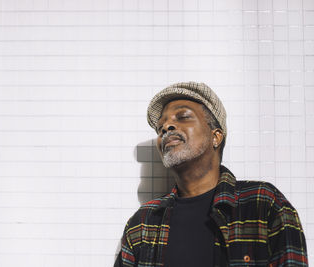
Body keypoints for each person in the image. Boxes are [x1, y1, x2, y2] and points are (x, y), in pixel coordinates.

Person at [115, 82, 308, 267]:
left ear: (216, 136)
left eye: (182, 116)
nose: (166, 127)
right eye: (160, 127)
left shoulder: (263, 204)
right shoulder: (143, 222)